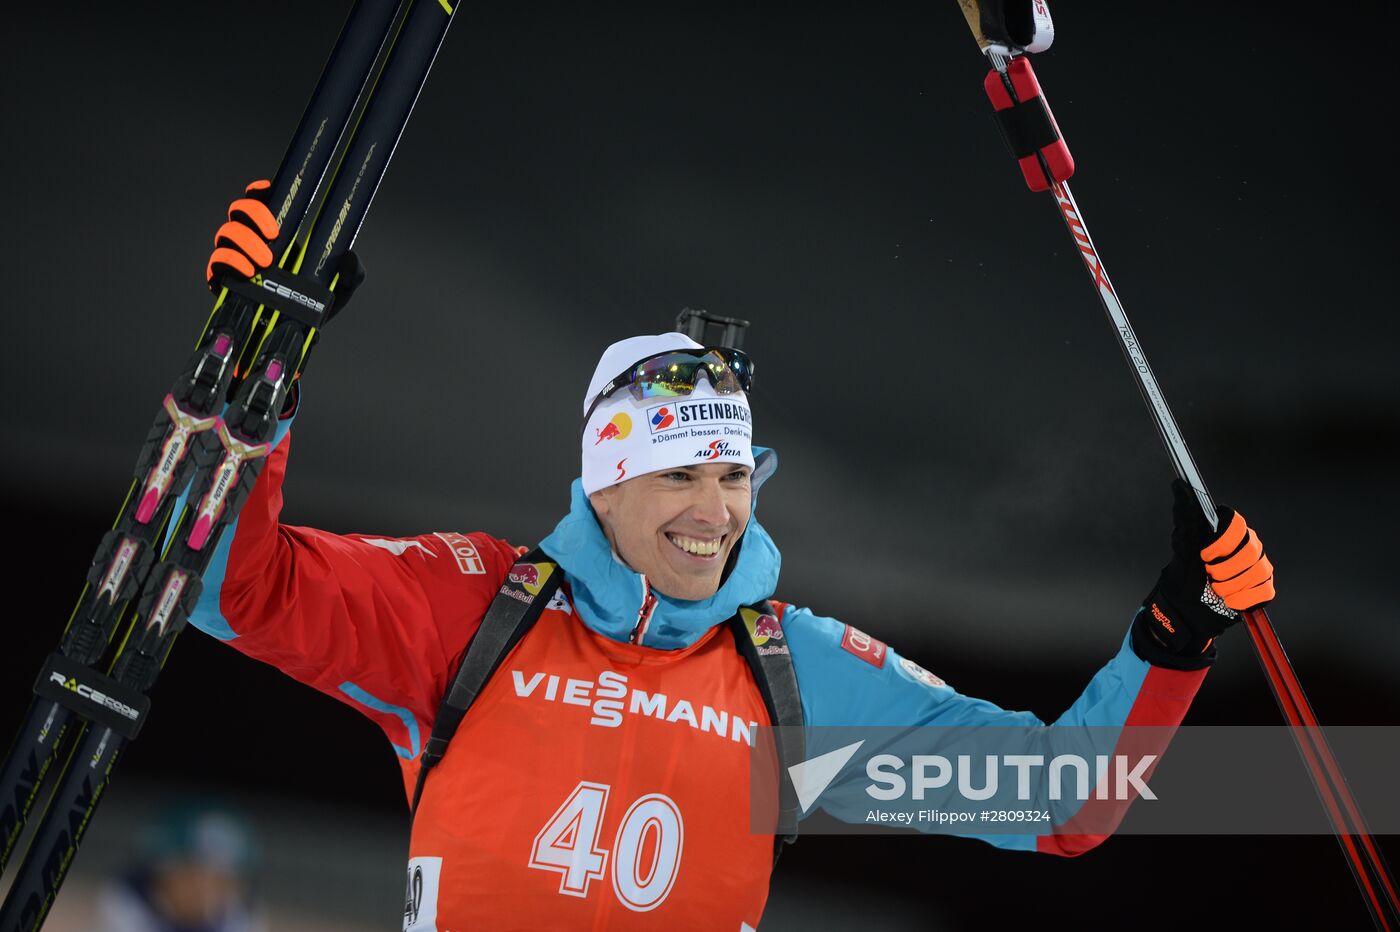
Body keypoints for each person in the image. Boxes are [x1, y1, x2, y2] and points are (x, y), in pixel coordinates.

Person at [192, 188, 1275, 931]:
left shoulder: (786, 672)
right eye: (677, 476)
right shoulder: (477, 607)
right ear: (604, 483)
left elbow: (1054, 800)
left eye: (732, 475)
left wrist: (1172, 634)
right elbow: (227, 588)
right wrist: (255, 370)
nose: (712, 512)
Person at [87, 801, 265, 932]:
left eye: (220, 880)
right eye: (191, 874)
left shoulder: (241, 915)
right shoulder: (127, 902)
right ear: (162, 870)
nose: (204, 890)